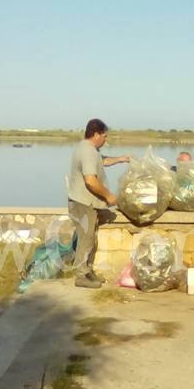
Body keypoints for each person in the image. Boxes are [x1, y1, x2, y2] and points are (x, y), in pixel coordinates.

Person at [67, 118, 131, 289]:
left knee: (90, 238)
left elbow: (102, 161)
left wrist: (121, 159)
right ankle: (81, 276)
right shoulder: (87, 151)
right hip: (82, 203)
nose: (105, 140)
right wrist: (109, 196)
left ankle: (88, 271)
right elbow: (90, 181)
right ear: (95, 134)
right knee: (86, 239)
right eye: (104, 136)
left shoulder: (89, 150)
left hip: (86, 203)